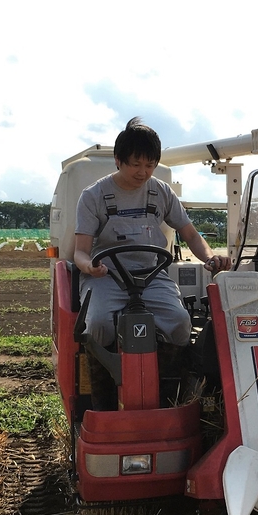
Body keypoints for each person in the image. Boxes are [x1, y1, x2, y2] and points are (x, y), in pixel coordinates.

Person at [73, 118, 230, 406]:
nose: (143, 172)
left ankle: (167, 395)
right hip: (107, 276)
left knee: (180, 323)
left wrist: (210, 257)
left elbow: (191, 235)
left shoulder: (161, 192)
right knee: (98, 324)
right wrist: (89, 267)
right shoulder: (94, 196)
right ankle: (102, 402)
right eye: (136, 164)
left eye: (150, 165)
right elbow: (80, 252)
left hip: (151, 275)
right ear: (118, 160)